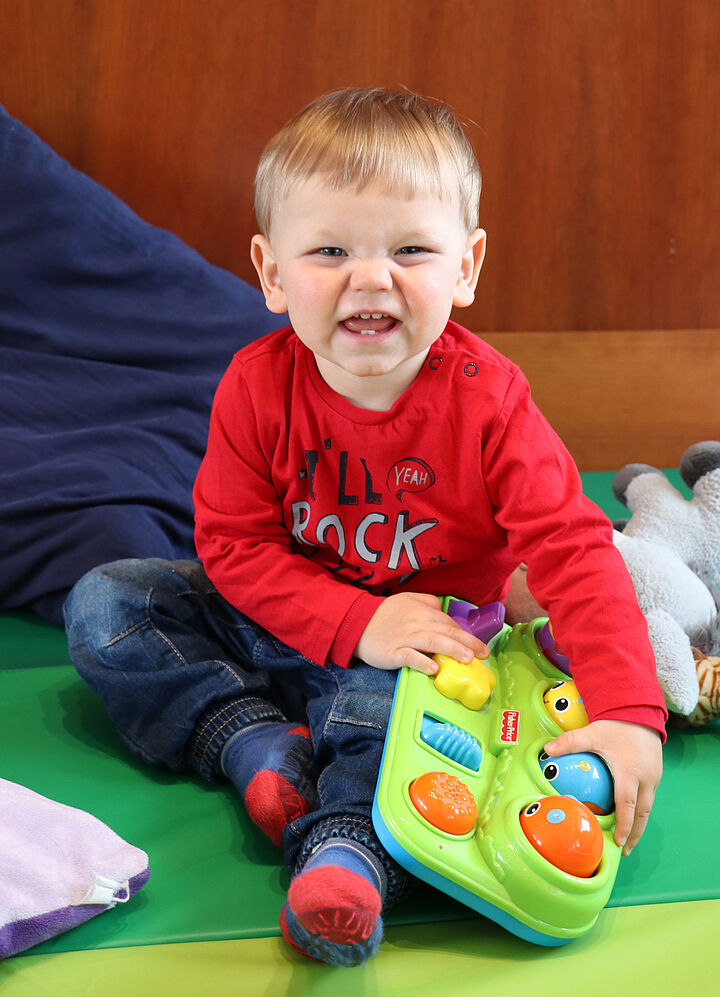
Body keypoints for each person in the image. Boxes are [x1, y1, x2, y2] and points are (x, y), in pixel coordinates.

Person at [64, 87, 667, 968]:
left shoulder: (491, 402)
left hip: (425, 654)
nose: (372, 278)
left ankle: (342, 854)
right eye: (332, 250)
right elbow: (231, 547)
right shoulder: (254, 386)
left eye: (412, 249)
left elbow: (574, 547)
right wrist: (351, 619)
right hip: (274, 619)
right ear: (272, 273)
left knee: (384, 734)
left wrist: (627, 711)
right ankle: (252, 741)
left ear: (466, 265)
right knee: (108, 600)